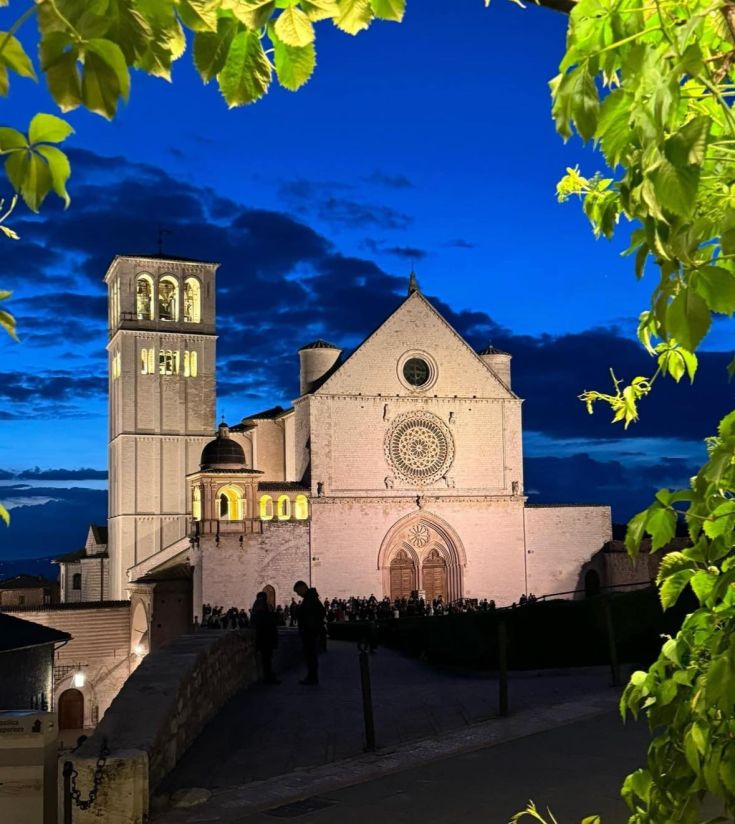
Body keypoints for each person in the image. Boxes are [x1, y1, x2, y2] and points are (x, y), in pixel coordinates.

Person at [293, 580, 325, 685]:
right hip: (311, 631)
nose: (298, 594)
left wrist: (310, 626)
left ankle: (312, 678)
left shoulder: (310, 599)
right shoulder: (310, 598)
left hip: (310, 632)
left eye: (298, 591)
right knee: (310, 656)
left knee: (311, 656)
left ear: (302, 588)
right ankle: (312, 677)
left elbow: (312, 614)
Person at [251, 592, 279, 685]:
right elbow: (270, 623)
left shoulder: (259, 607)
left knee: (266, 659)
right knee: (266, 659)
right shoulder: (264, 608)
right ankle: (268, 677)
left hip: (264, 638)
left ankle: (268, 676)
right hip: (266, 638)